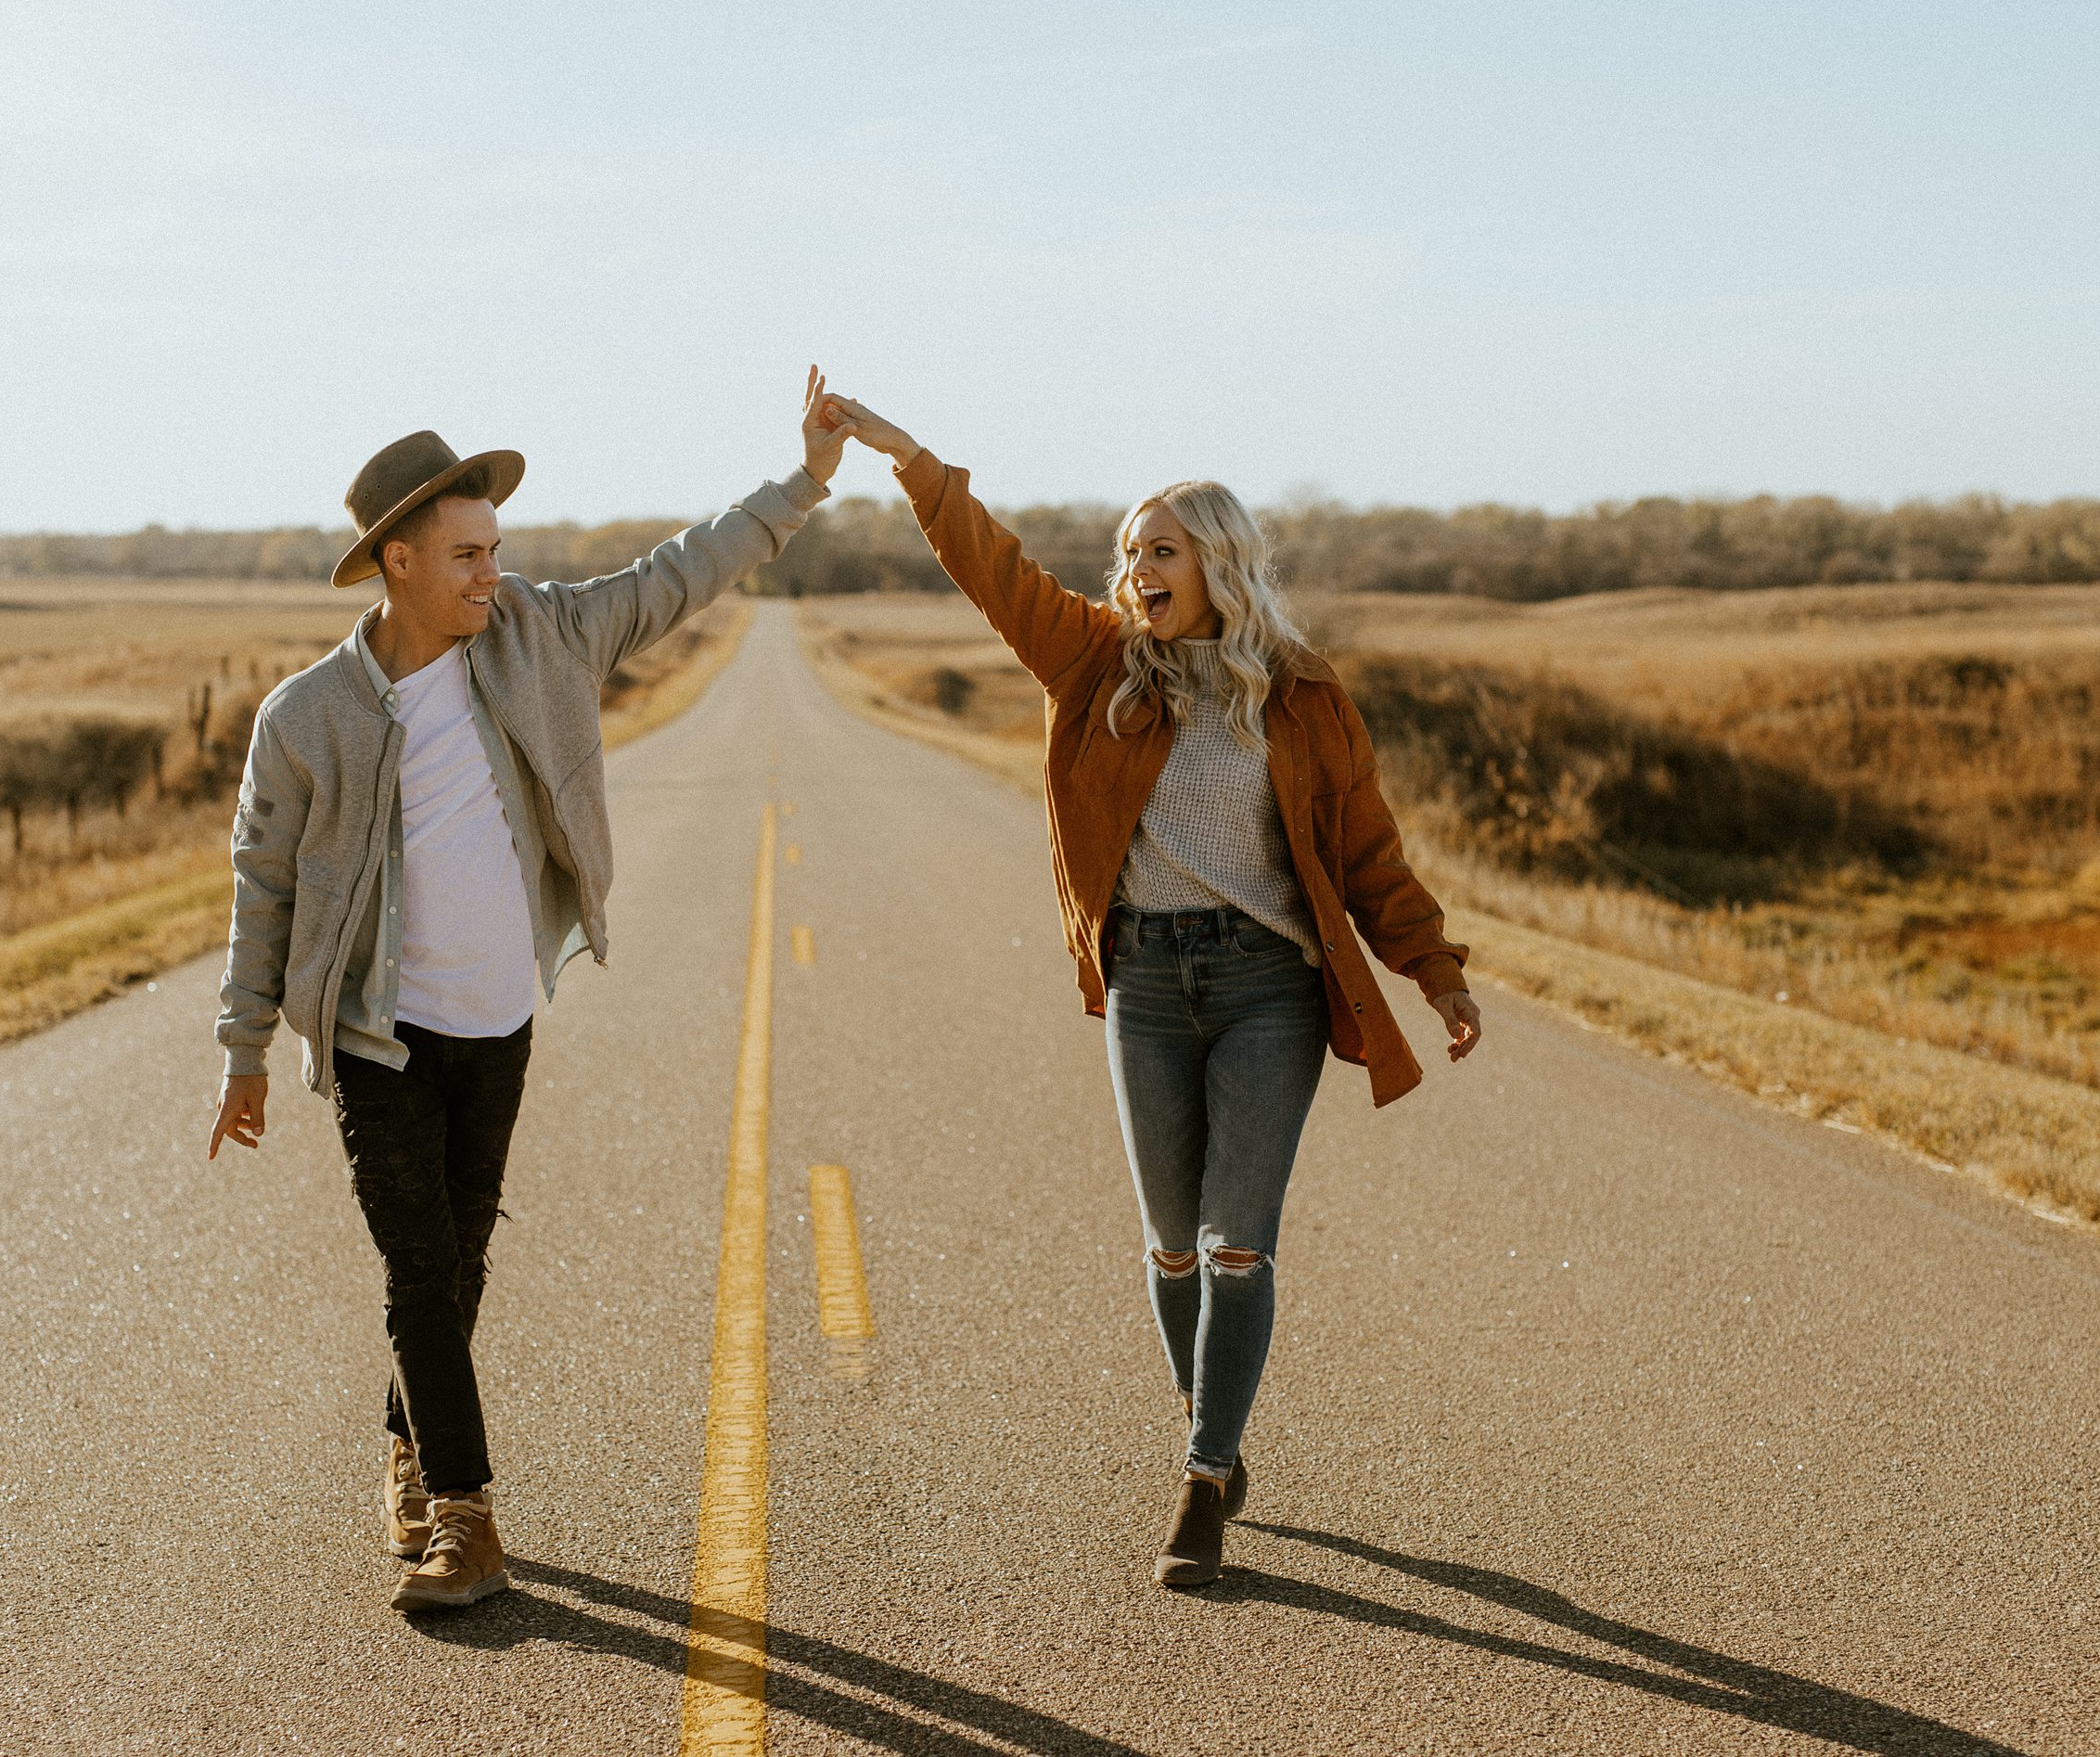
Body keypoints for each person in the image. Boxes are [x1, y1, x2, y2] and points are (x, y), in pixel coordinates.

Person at [207, 370, 854, 1612]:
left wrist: (806, 482)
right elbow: (263, 886)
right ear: (396, 561)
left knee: (452, 1273)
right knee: (415, 1272)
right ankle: (465, 1517)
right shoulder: (309, 718)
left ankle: (407, 1448)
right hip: (375, 1035)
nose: (489, 574)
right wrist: (243, 1049)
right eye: (465, 555)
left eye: (496, 550)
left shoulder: (542, 636)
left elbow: (682, 571)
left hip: (497, 1019)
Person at [826, 392, 1483, 1588]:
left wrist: (1434, 975)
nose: (1138, 570)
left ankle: (1203, 1473)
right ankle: (1212, 1425)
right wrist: (900, 454)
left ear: (1218, 563)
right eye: (1129, 552)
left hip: (1266, 988)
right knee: (1173, 1245)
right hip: (1146, 981)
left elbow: (1369, 856)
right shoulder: (1094, 666)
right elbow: (992, 565)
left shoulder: (1300, 697)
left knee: (1238, 1241)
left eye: (1161, 551)